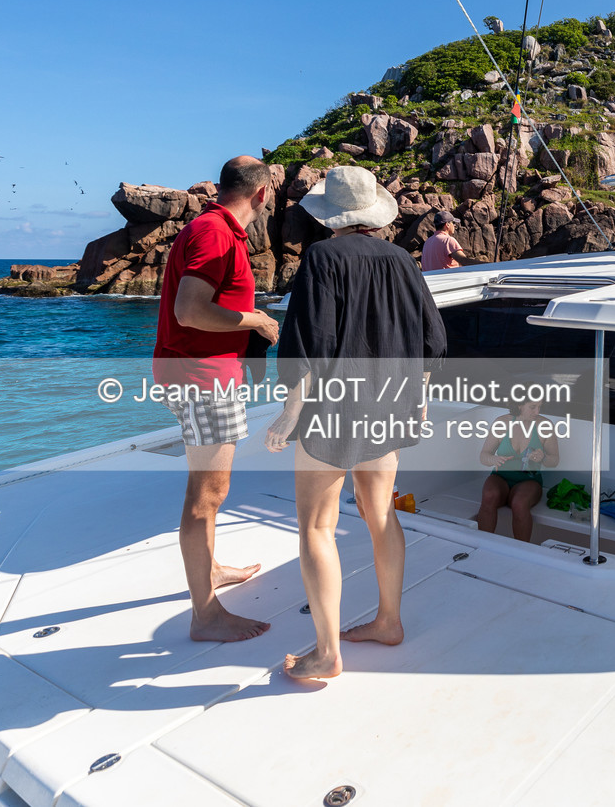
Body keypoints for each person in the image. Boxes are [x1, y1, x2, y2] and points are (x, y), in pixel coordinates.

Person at [267, 166, 447, 681]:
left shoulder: (322, 257)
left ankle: (327, 653)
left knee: (317, 527)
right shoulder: (402, 259)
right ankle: (389, 622)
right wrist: (421, 398)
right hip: (390, 404)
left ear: (331, 216)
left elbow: (309, 340)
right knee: (380, 514)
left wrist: (291, 410)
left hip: (333, 410)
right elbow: (433, 339)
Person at [154, 155, 280, 643]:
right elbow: (189, 311)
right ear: (261, 194)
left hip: (195, 372)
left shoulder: (212, 228)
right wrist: (257, 320)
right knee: (207, 495)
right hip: (203, 379)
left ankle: (210, 570)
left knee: (206, 489)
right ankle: (205, 616)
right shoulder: (216, 233)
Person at [474, 394, 561, 542]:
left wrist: (543, 458)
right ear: (519, 405)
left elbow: (554, 460)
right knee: (489, 495)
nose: (537, 411)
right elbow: (484, 456)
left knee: (519, 503)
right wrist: (493, 459)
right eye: (532, 407)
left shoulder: (545, 426)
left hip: (529, 481)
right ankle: (482, 545)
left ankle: (521, 549)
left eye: (539, 407)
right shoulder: (502, 423)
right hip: (500, 477)